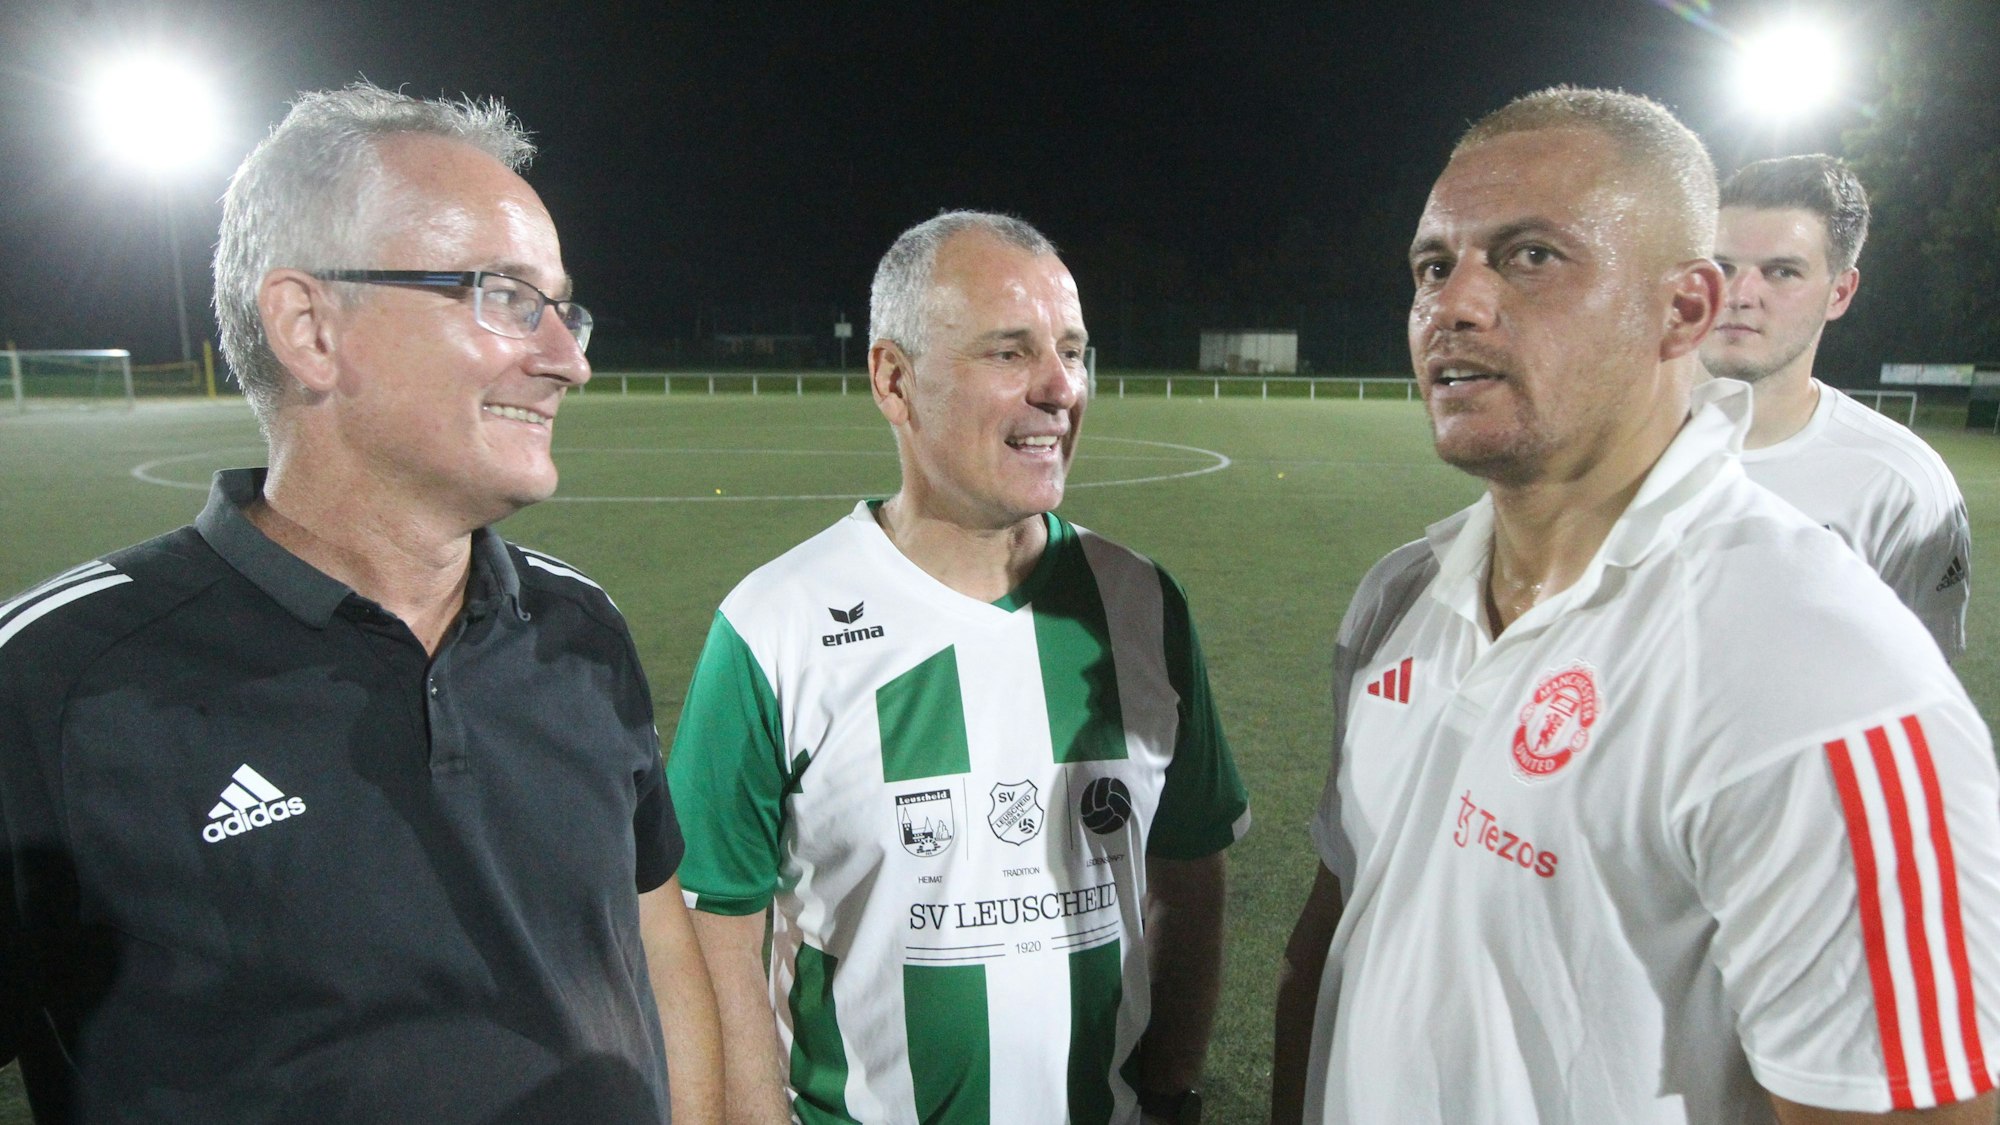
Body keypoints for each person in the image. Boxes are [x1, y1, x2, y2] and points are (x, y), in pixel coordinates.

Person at [1272, 88, 2000, 1123]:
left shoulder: (1821, 671)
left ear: (1685, 311)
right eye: (1433, 265)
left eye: (1529, 256)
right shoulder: (1404, 594)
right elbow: (1346, 928)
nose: (1454, 305)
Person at [0, 84, 721, 1123]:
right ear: (309, 327)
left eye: (564, 308)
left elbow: (651, 945)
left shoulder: (584, 635)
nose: (570, 358)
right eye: (507, 297)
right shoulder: (52, 681)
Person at [668, 210, 1249, 1125]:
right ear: (894, 380)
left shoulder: (1143, 605)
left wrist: (1171, 1090)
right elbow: (715, 924)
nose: (1062, 387)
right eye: (1010, 353)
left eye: (1073, 348)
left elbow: (1189, 867)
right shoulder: (773, 625)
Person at [1700, 154, 1970, 659]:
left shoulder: (1901, 486)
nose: (1740, 293)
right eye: (1722, 266)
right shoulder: (1608, 443)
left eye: (1781, 271)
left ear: (1839, 292)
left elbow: (1919, 690)